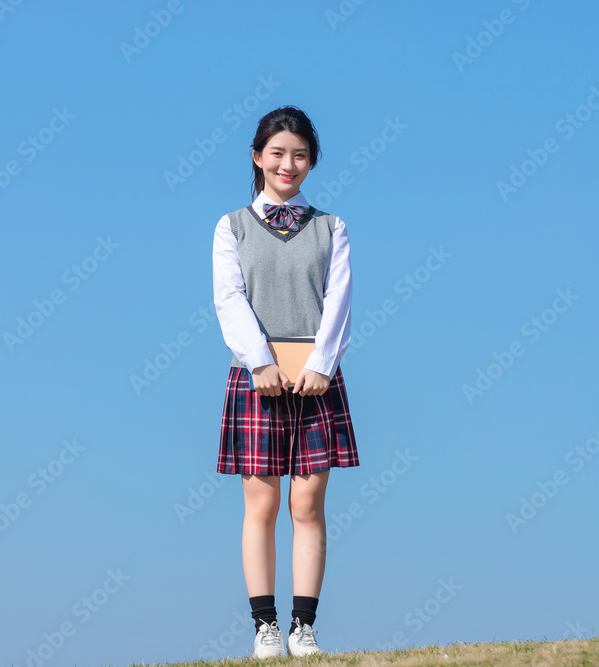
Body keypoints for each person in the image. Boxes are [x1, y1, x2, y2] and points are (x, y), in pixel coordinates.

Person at [211, 105, 360, 659]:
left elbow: (339, 300)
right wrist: (258, 362)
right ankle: (265, 628)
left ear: (311, 162)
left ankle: (304, 627)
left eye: (299, 155)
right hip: (257, 380)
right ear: (257, 157)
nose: (287, 163)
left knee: (309, 505)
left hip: (317, 380)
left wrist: (322, 364)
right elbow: (230, 299)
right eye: (277, 153)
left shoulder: (332, 227)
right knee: (261, 506)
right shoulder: (231, 227)